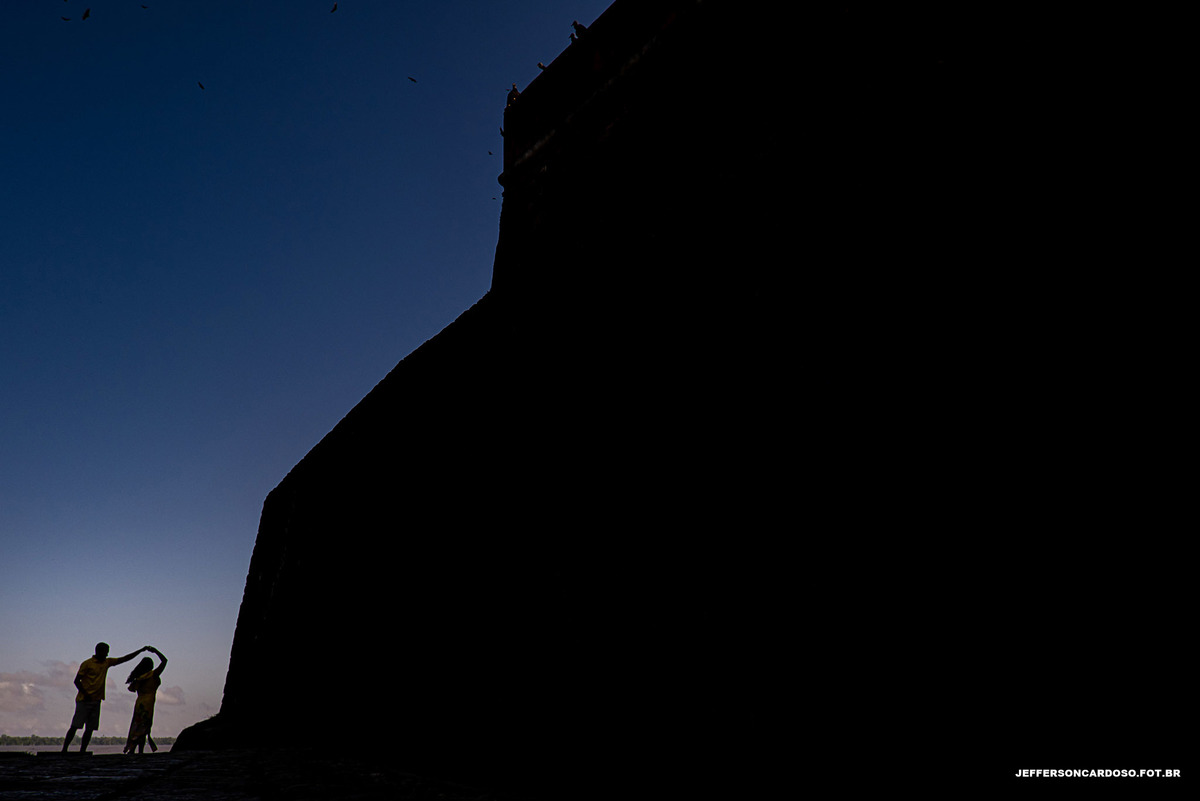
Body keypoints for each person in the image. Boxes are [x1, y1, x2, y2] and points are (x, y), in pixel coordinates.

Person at [62, 642, 150, 753]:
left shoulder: (106, 662)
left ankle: (82, 751)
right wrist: (86, 694)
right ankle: (64, 750)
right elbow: (76, 681)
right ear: (99, 651)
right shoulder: (87, 664)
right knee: (75, 726)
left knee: (90, 729)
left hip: (96, 700)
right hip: (84, 700)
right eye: (106, 652)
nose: (107, 654)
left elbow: (124, 659)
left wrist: (140, 650)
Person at [123, 646, 168, 754]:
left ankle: (133, 749)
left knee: (137, 726)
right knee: (144, 727)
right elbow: (164, 661)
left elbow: (132, 689)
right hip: (148, 704)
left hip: (139, 703)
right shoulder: (153, 675)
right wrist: (155, 651)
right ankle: (140, 751)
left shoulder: (139, 678)